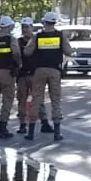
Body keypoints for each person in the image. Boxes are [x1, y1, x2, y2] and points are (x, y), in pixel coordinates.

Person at [23, 10, 72, 141]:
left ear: (44, 22)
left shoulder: (37, 37)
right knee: (55, 100)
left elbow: (27, 52)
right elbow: (69, 51)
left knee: (36, 100)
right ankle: (57, 133)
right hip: (55, 71)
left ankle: (31, 132)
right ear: (55, 23)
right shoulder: (60, 36)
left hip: (39, 71)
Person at [15, 16, 38, 136]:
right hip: (22, 76)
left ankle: (44, 122)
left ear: (31, 27)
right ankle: (22, 124)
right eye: (23, 27)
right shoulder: (18, 42)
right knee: (21, 100)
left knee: (38, 100)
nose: (25, 30)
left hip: (35, 75)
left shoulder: (37, 40)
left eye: (27, 27)